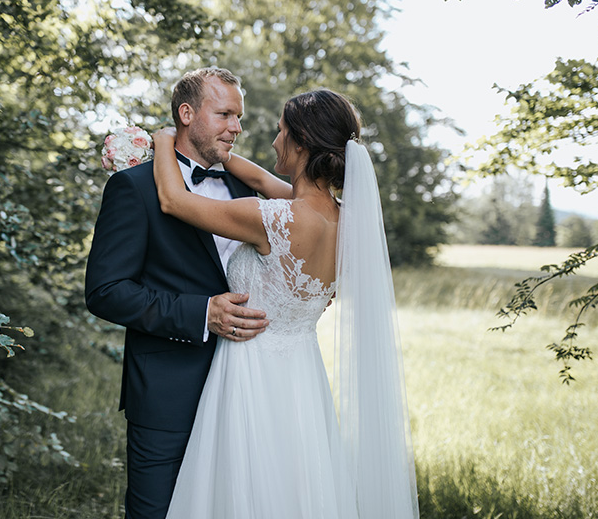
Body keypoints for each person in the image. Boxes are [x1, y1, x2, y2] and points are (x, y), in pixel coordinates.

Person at [153, 89, 420, 518]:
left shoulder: (273, 218)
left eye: (281, 131)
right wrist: (221, 155)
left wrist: (165, 138)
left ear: (300, 142)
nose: (275, 141)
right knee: (296, 486)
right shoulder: (343, 221)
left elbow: (173, 200)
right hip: (301, 376)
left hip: (250, 370)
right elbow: (262, 180)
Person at [85, 67, 270, 519]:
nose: (237, 127)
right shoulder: (134, 188)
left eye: (239, 116)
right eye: (225, 114)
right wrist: (199, 313)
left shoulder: (250, 188)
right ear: (187, 113)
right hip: (168, 389)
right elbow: (105, 291)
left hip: (251, 382)